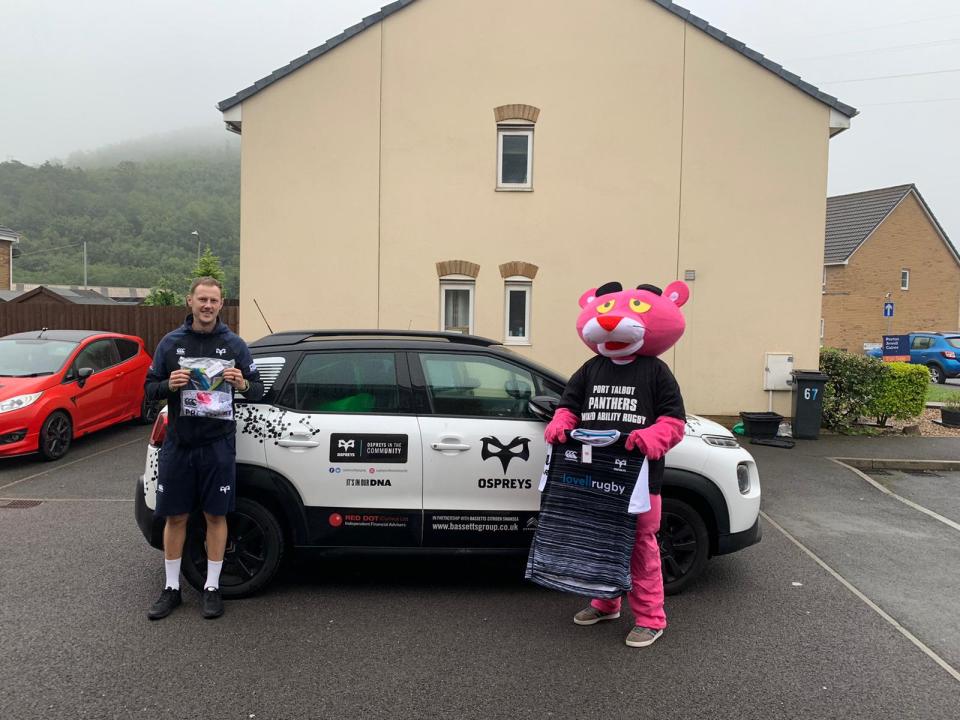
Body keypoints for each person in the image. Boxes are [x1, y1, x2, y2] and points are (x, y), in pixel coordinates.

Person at [542, 280, 689, 647]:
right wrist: (561, 423)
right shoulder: (591, 368)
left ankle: (651, 618)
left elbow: (674, 422)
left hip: (639, 479)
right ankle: (606, 603)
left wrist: (652, 437)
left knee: (641, 547)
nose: (610, 324)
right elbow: (568, 405)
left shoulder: (656, 372)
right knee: (599, 541)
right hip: (594, 475)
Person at [144, 277, 263, 620]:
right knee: (175, 516)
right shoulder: (171, 343)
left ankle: (212, 587)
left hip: (217, 445)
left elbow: (258, 390)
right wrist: (169, 384)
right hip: (179, 445)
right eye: (202, 300)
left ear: (221, 304)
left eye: (213, 300)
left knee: (215, 515)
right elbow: (149, 389)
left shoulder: (234, 345)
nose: (207, 306)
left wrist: (242, 383)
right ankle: (171, 589)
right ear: (190, 301)